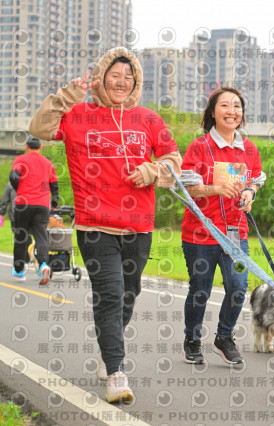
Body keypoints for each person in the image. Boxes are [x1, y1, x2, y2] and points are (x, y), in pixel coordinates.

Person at [29, 46, 181, 403]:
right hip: (95, 225)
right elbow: (39, 127)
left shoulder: (148, 119)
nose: (121, 82)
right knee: (111, 294)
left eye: (129, 77)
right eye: (114, 75)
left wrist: (152, 170)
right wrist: (68, 94)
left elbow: (173, 159)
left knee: (129, 295)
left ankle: (106, 348)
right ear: (100, 78)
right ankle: (116, 373)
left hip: (139, 226)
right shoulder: (78, 115)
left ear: (136, 83)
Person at [181, 87, 265, 365]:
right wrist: (214, 188)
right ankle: (192, 340)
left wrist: (249, 194)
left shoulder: (249, 149)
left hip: (235, 234)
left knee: (238, 286)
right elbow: (187, 187)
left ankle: (224, 337)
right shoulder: (199, 146)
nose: (232, 111)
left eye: (237, 106)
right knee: (200, 290)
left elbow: (255, 181)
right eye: (225, 106)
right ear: (213, 112)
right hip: (200, 234)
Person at [9, 137, 58, 284]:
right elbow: (54, 185)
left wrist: (19, 189)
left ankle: (19, 271)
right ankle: (43, 265)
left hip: (23, 203)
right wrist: (54, 201)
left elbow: (13, 176)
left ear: (26, 146)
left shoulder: (21, 159)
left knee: (21, 237)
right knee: (41, 236)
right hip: (42, 205)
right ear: (40, 147)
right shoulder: (48, 163)